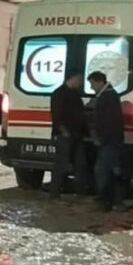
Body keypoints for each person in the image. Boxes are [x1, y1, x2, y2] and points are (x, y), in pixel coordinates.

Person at [89, 71, 125, 211]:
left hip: (108, 141)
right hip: (112, 140)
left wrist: (100, 138)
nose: (92, 87)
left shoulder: (107, 97)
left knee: (103, 171)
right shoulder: (110, 95)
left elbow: (108, 121)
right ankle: (115, 201)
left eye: (92, 84)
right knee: (112, 170)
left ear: (99, 82)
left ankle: (105, 200)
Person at [49, 69, 87, 198]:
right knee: (61, 164)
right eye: (79, 79)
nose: (81, 82)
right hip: (65, 135)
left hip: (77, 134)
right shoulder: (59, 93)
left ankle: (80, 192)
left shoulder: (75, 94)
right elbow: (56, 115)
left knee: (80, 165)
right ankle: (54, 193)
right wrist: (63, 130)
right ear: (72, 78)